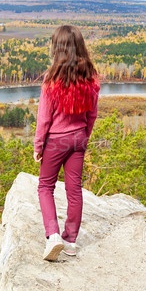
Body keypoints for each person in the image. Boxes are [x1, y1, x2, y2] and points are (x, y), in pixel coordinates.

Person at [34, 24, 99, 261]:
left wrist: (38, 146)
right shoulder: (90, 79)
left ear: (58, 49)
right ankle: (70, 241)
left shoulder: (52, 81)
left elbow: (44, 119)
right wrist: (84, 137)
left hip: (56, 141)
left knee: (45, 187)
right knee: (74, 190)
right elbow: (92, 115)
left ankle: (53, 236)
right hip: (78, 138)